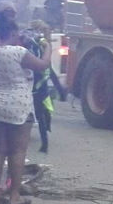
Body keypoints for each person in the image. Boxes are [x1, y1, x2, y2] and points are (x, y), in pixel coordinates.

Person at [0, 19, 51, 204]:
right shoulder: (19, 53)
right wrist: (47, 46)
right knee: (17, 151)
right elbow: (43, 65)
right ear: (13, 34)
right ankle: (14, 195)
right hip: (18, 105)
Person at [21, 20, 67, 153]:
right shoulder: (37, 47)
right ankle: (41, 142)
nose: (49, 39)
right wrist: (60, 89)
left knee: (41, 113)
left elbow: (49, 70)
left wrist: (59, 89)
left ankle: (44, 142)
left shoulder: (34, 45)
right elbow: (48, 70)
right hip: (36, 85)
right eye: (47, 35)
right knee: (39, 114)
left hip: (38, 85)